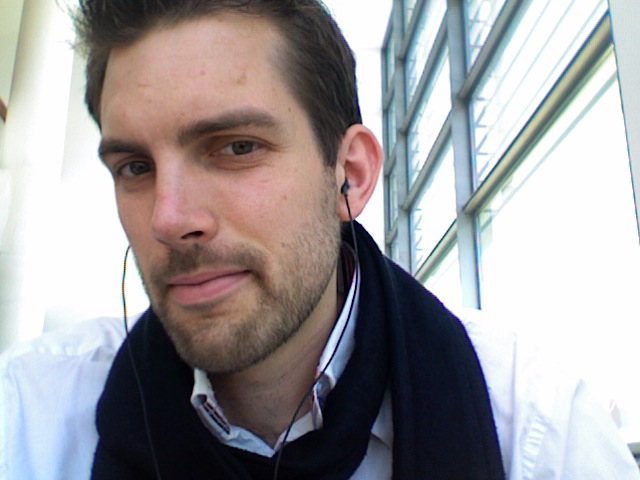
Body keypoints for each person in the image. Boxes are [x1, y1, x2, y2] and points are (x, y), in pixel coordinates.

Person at [1, 0, 638, 478]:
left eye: (236, 147)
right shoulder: (30, 419)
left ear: (349, 176)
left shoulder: (534, 431)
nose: (168, 219)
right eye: (135, 167)